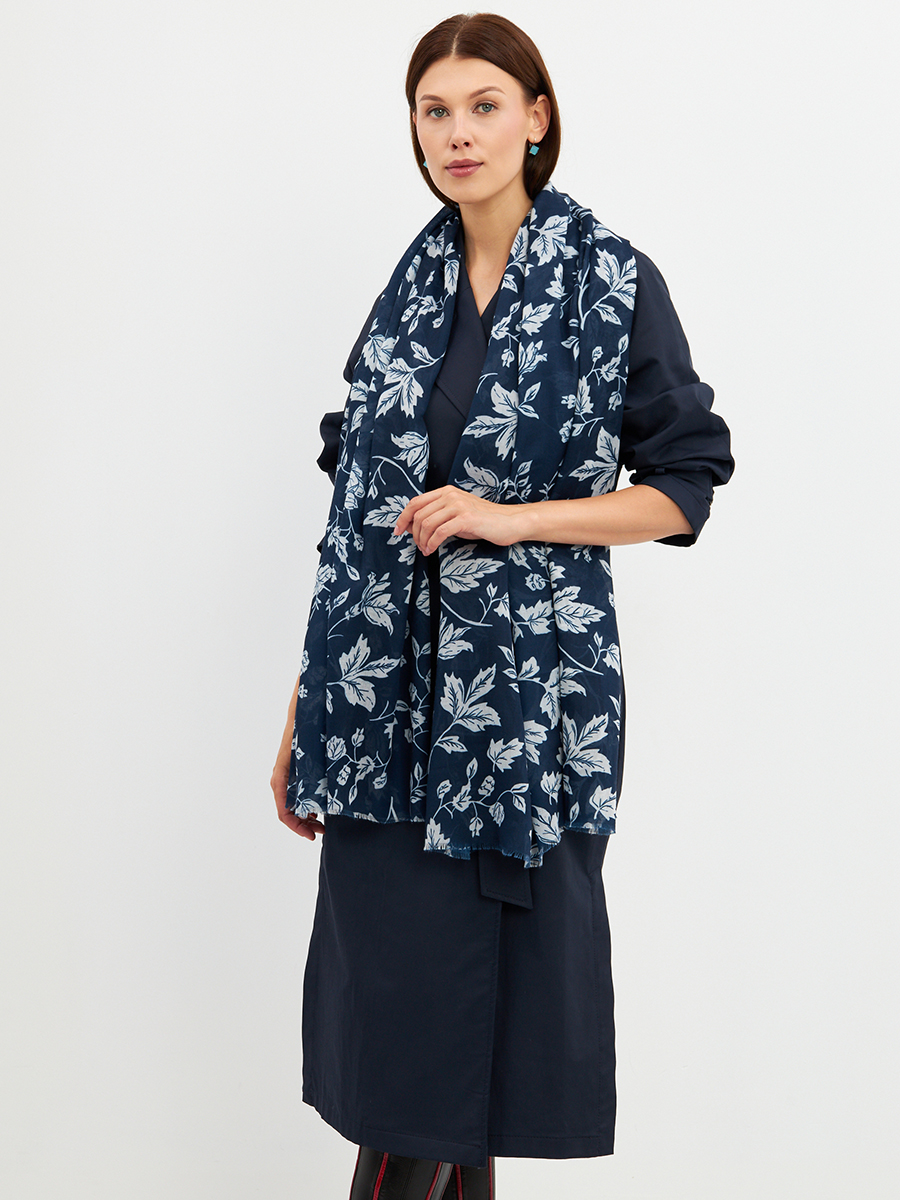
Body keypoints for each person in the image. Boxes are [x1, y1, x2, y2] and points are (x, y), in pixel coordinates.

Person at [270, 12, 734, 1199]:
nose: (458, 133)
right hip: (380, 727)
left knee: (448, 1070)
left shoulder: (611, 283)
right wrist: (305, 706)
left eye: (484, 105)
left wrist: (510, 517)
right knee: (411, 1068)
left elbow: (682, 487)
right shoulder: (406, 291)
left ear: (537, 117)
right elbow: (356, 511)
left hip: (523, 724)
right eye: (435, 110)